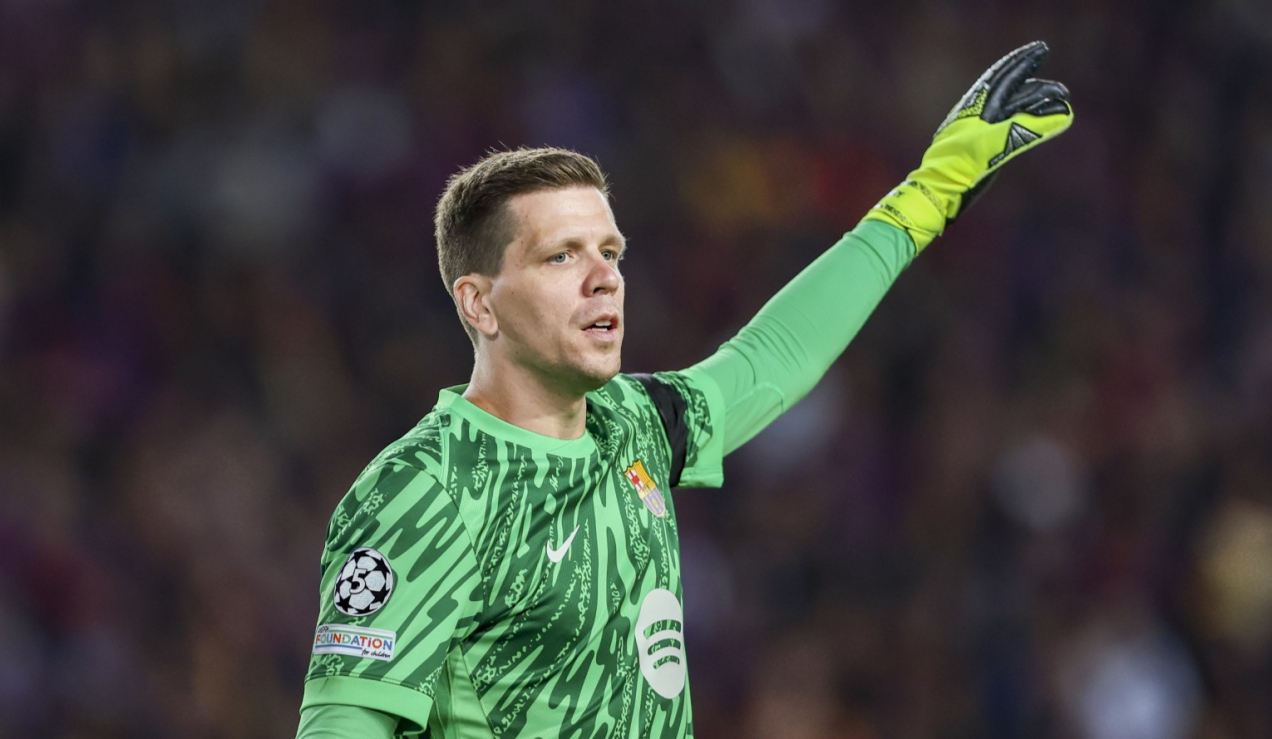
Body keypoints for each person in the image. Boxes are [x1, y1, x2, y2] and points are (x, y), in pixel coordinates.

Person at [295, 41, 1073, 738]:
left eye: (610, 251)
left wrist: (929, 194)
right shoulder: (424, 490)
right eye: (562, 256)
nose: (604, 278)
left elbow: (769, 359)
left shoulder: (636, 424)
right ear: (479, 303)